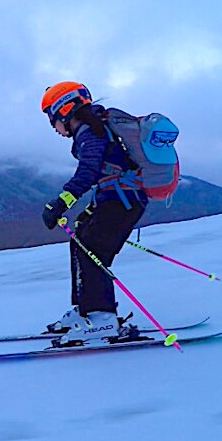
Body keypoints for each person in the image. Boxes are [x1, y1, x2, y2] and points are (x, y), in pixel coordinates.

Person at [39, 82, 147, 344]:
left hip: (122, 201)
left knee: (92, 251)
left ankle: (102, 319)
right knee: (80, 242)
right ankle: (85, 310)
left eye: (52, 119)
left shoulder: (91, 132)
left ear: (64, 110)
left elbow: (87, 173)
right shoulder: (94, 129)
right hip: (116, 199)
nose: (54, 127)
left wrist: (60, 202)